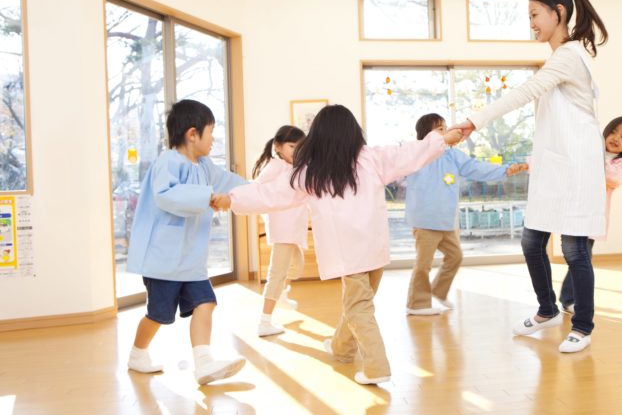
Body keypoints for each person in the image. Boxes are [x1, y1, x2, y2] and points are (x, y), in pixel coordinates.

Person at [223, 105, 463, 384]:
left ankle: (376, 367)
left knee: (358, 306)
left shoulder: (311, 171)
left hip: (348, 253)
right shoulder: (371, 159)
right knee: (359, 302)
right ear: (353, 132)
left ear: (318, 137)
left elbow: (271, 194)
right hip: (374, 248)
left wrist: (232, 199)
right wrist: (442, 139)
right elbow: (409, 153)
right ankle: (341, 347)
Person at [450, 0, 609, 353]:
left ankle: (583, 326)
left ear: (559, 12)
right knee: (531, 240)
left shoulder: (569, 56)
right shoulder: (560, 59)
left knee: (574, 250)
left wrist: (474, 121)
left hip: (578, 168)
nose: (532, 24)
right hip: (556, 167)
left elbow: (524, 92)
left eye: (535, 15)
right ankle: (547, 309)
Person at [126, 99, 248, 384]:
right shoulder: (168, 162)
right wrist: (207, 197)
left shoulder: (205, 166)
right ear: (193, 134)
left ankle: (204, 362)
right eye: (211, 132)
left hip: (191, 260)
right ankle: (137, 353)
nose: (213, 139)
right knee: (158, 314)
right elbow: (166, 195)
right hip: (164, 261)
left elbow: (228, 181)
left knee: (206, 303)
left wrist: (260, 192)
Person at [405, 113, 527, 316]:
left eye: (446, 128)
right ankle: (416, 303)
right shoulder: (417, 153)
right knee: (423, 264)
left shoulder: (452, 155)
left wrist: (506, 171)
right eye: (440, 130)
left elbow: (477, 168)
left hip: (446, 220)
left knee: (455, 256)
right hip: (425, 221)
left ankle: (438, 290)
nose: (447, 132)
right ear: (427, 135)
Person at [559, 116, 622, 314]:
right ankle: (568, 298)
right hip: (574, 214)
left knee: (582, 260)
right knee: (577, 260)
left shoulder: (621, 163)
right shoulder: (588, 152)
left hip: (593, 219)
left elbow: (613, 178)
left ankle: (569, 299)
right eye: (613, 132)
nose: (616, 138)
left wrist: (594, 157)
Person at [251, 125, 308, 336]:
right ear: (278, 146)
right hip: (283, 228)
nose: (296, 150)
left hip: (293, 229)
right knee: (277, 273)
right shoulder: (275, 166)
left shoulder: (296, 167)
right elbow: (257, 189)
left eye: (300, 147)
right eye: (292, 146)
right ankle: (265, 321)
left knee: (297, 267)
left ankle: (281, 295)